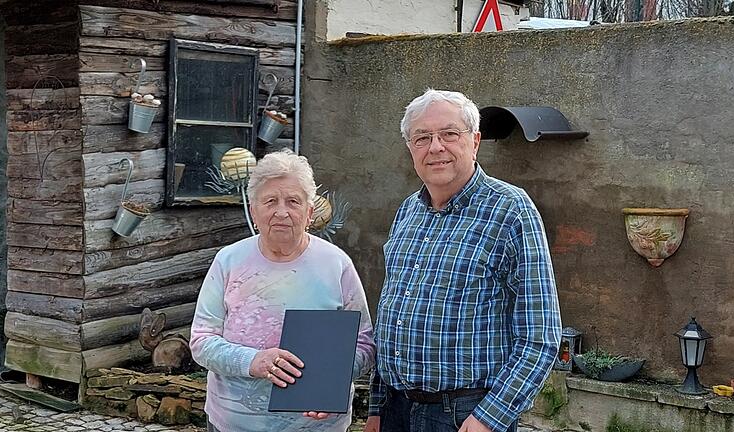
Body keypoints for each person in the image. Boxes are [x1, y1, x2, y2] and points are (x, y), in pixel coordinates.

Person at [365, 89, 562, 432]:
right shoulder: (408, 211)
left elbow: (540, 335)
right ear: (410, 148)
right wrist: (377, 408)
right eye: (422, 137)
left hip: (463, 414)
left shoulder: (511, 210)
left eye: (449, 134)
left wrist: (490, 418)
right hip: (397, 410)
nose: (435, 146)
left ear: (475, 141)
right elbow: (392, 318)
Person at [190, 149, 376, 432]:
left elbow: (364, 344)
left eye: (293, 201)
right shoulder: (229, 261)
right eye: (270, 201)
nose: (281, 212)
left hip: (316, 426)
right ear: (254, 210)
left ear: (309, 212)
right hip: (233, 424)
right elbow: (202, 341)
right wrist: (253, 361)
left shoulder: (336, 264)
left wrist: (331, 380)